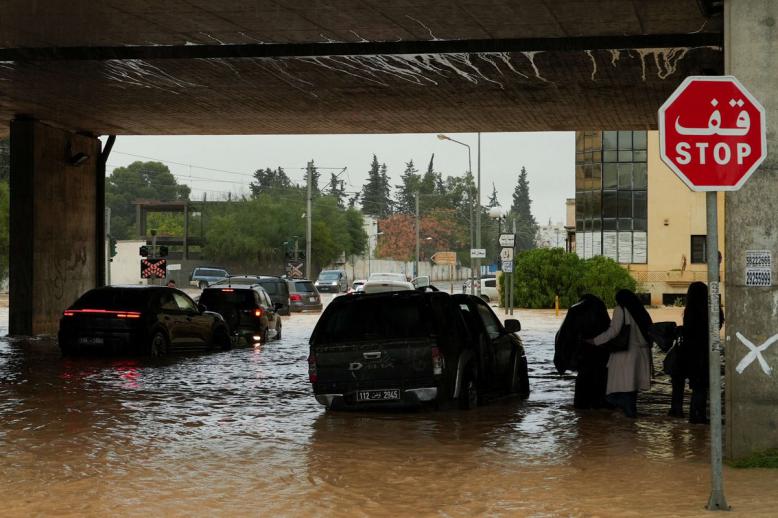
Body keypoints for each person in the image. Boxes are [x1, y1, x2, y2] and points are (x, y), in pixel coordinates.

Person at [587, 289, 653, 418]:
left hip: (625, 355)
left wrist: (595, 341)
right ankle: (631, 425)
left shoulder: (620, 309)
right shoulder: (641, 311)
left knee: (611, 394)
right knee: (632, 389)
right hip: (641, 355)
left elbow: (613, 331)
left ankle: (627, 411)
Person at [669, 281, 723, 423]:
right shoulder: (712, 308)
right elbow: (718, 325)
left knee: (691, 384)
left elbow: (689, 330)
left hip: (689, 351)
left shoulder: (689, 310)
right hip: (706, 351)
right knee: (701, 386)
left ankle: (680, 412)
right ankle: (698, 415)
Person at [554, 294, 611, 409]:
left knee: (583, 386)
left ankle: (584, 416)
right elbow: (610, 333)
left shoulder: (575, 311)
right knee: (600, 384)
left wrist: (563, 360)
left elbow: (565, 336)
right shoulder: (600, 312)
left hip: (585, 357)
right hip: (601, 357)